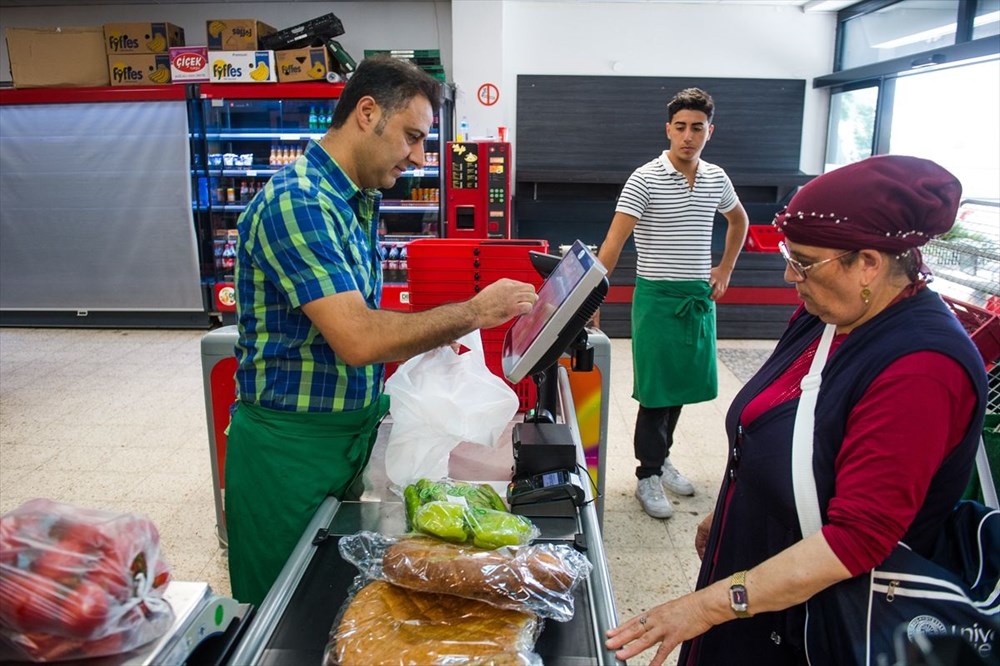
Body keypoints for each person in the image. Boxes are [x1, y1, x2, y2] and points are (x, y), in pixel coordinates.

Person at [605, 155, 988, 665]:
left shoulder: (921, 368)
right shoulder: (827, 316)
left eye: (803, 261)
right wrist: (732, 512)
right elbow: (782, 432)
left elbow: (854, 542)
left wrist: (705, 607)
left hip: (817, 615)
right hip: (759, 580)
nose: (789, 273)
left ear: (868, 263)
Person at [224, 56, 538, 607]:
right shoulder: (300, 202)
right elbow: (359, 339)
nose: (419, 155)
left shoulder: (357, 200)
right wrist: (471, 312)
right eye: (412, 136)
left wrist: (427, 333)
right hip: (289, 450)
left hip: (345, 437)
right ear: (367, 113)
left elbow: (357, 315)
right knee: (279, 613)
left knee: (326, 600)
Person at [596, 88, 749, 519]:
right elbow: (613, 244)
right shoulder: (644, 179)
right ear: (668, 129)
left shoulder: (717, 178)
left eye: (697, 128)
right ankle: (647, 474)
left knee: (680, 388)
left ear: (709, 131)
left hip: (697, 300)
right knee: (656, 393)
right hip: (658, 301)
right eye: (680, 127)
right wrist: (590, 294)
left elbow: (739, 219)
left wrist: (725, 269)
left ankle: (661, 461)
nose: (688, 136)